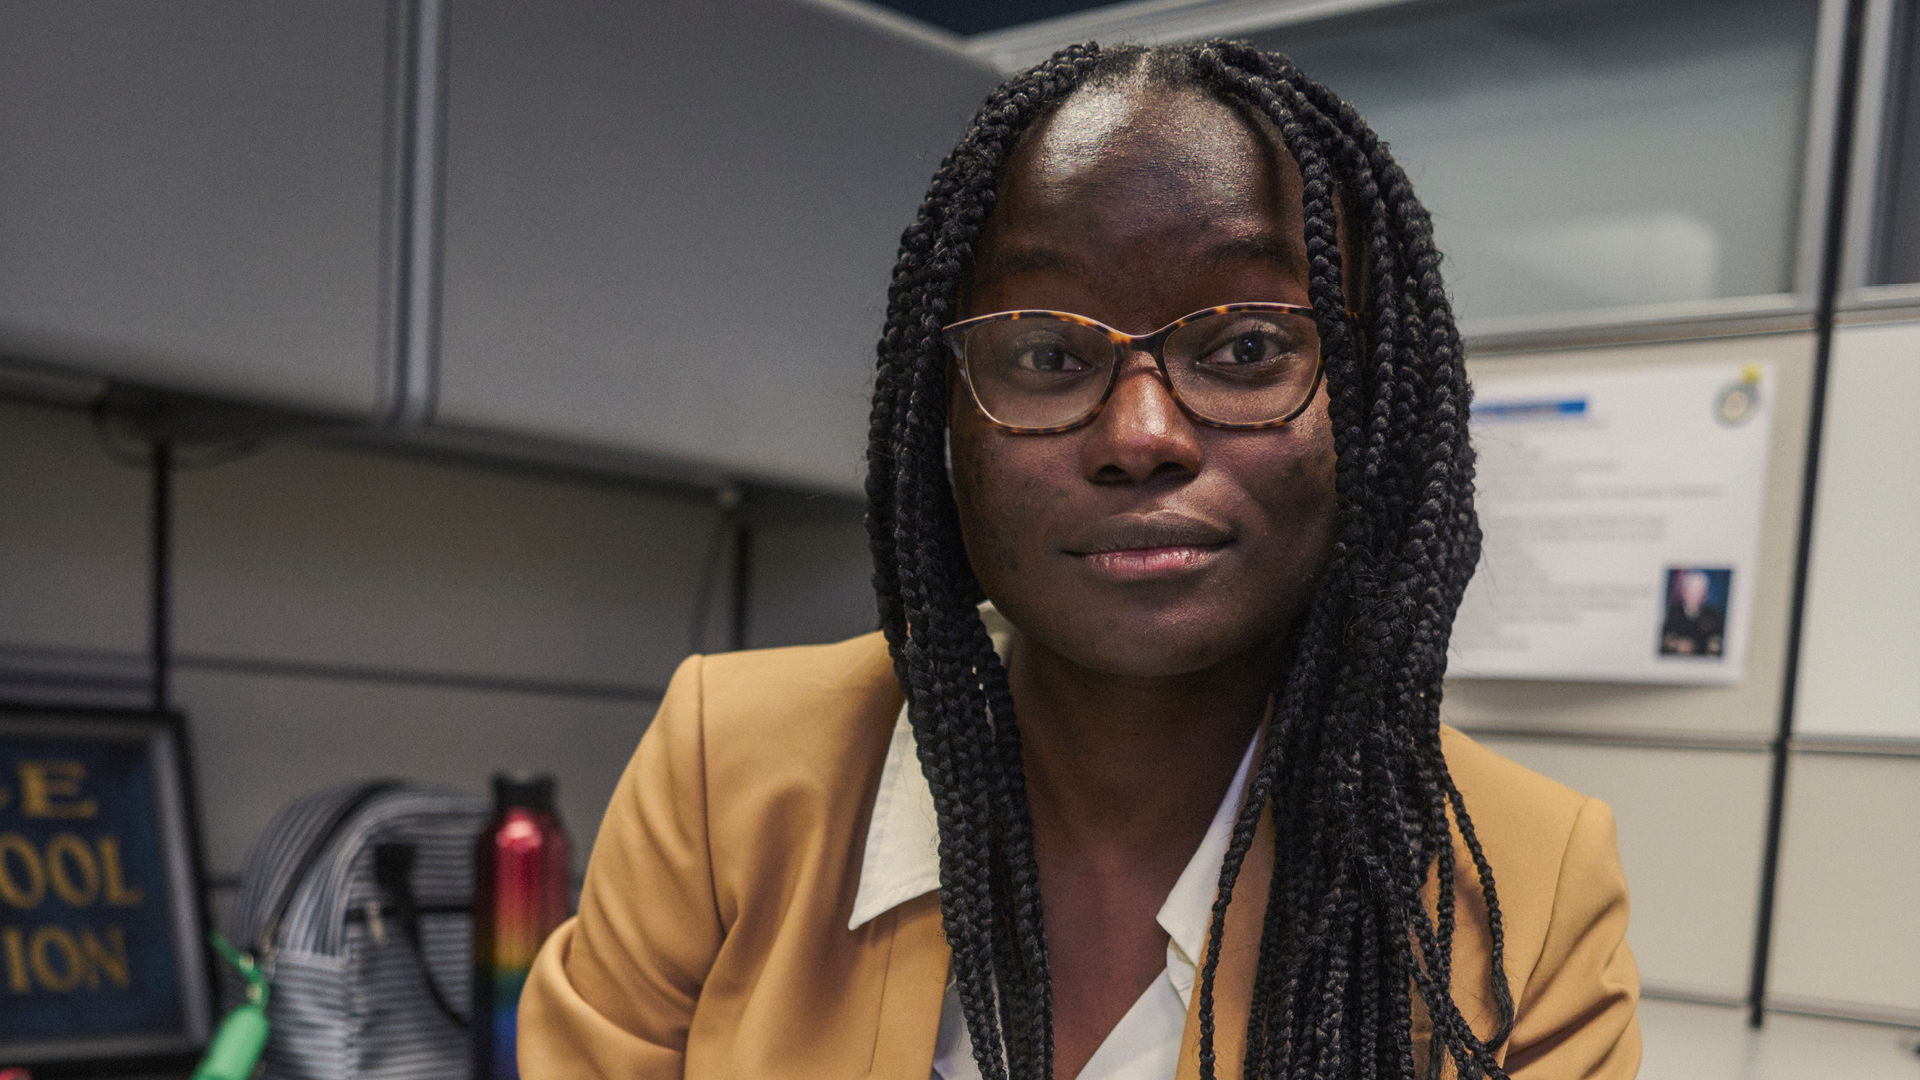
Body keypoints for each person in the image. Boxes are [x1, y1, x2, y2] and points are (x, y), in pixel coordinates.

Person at [518, 41, 1640, 1080]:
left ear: (1375, 412)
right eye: (1047, 353)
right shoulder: (734, 768)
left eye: (1248, 348)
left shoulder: (1526, 883)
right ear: (943, 418)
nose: (1141, 436)